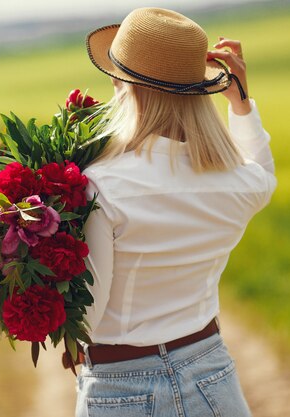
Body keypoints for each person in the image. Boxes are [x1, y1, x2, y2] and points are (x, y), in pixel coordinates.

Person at [76, 7, 276, 417]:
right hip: (214, 377)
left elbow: (87, 317)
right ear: (199, 90)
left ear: (123, 84)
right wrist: (241, 105)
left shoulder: (103, 186)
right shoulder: (239, 183)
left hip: (121, 388)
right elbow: (264, 176)